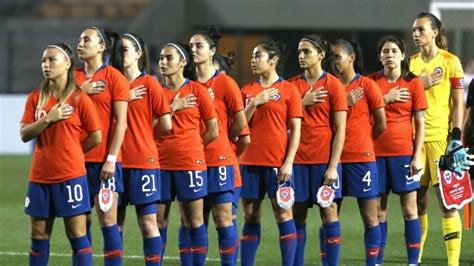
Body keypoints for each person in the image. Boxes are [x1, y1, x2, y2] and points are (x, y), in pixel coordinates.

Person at [21, 43, 101, 266]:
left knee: (77, 236)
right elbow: (24, 134)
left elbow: (96, 136)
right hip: (39, 177)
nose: (46, 65)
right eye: (44, 60)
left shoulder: (79, 99)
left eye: (52, 60)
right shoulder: (35, 99)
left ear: (67, 63)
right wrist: (48, 118)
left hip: (71, 176)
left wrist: (73, 152)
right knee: (38, 237)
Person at [239, 39, 303, 266]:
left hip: (277, 165)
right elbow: (238, 126)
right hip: (249, 163)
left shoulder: (289, 91)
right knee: (250, 216)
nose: (253, 60)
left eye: (258, 56)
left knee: (284, 215)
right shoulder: (247, 90)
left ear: (273, 60)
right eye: (253, 56)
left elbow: (296, 130)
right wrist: (254, 103)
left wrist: (288, 163)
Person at [410, 12, 466, 265]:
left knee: (448, 204)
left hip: (441, 141)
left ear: (435, 32)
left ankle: (452, 263)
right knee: (416, 204)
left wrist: (456, 138)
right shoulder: (409, 64)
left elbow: (459, 104)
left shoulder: (451, 62)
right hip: (413, 142)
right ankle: (416, 259)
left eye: (421, 29)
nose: (416, 34)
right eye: (414, 30)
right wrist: (417, 85)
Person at [155, 42, 218, 266]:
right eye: (161, 58)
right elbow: (148, 128)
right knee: (158, 221)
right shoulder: (156, 92)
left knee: (194, 220)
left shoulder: (198, 91)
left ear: (182, 62)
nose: (163, 62)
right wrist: (172, 107)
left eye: (168, 58)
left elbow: (213, 130)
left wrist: (193, 148)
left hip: (190, 164)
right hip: (160, 165)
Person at [189, 26, 247, 265]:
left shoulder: (225, 84)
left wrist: (223, 140)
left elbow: (241, 125)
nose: (193, 50)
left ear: (212, 51)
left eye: (199, 46)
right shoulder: (188, 83)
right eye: (191, 46)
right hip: (193, 161)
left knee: (223, 219)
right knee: (194, 220)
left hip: (219, 160)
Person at [288, 34, 347, 266]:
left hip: (324, 162)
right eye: (300, 52)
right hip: (298, 162)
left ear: (321, 55)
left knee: (329, 214)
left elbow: (340, 129)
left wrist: (333, 166)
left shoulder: (333, 85)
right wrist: (302, 102)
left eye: (307, 52)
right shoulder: (292, 86)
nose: (301, 56)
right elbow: (282, 122)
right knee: (297, 216)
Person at [368, 35, 427, 265]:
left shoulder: (413, 84)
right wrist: (385, 98)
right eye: (385, 51)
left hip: (403, 153)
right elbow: (363, 114)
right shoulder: (371, 83)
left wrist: (417, 155)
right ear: (380, 56)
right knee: (379, 212)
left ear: (403, 55)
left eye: (394, 51)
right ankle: (378, 262)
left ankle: (413, 262)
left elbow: (420, 122)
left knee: (409, 210)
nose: (389, 55)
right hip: (375, 155)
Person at [115, 33, 172, 265]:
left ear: (139, 54)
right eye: (119, 49)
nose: (121, 54)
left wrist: (145, 135)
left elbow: (166, 124)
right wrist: (123, 98)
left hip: (143, 163)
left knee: (148, 224)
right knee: (113, 225)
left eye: (126, 49)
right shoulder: (113, 84)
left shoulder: (150, 84)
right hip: (115, 163)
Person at [76, 26, 129, 265]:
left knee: (108, 222)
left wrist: (111, 158)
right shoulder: (71, 78)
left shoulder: (114, 78)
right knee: (79, 224)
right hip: (75, 162)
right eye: (79, 39)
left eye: (87, 39)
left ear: (101, 47)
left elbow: (121, 124)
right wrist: (79, 91)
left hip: (104, 163)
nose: (80, 43)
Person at [331, 39, 386, 266]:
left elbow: (381, 123)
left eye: (338, 57)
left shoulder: (368, 86)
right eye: (332, 58)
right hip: (334, 160)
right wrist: (343, 98)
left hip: (362, 160)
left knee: (370, 216)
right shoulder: (331, 87)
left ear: (351, 58)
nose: (334, 62)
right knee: (330, 215)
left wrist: (365, 142)